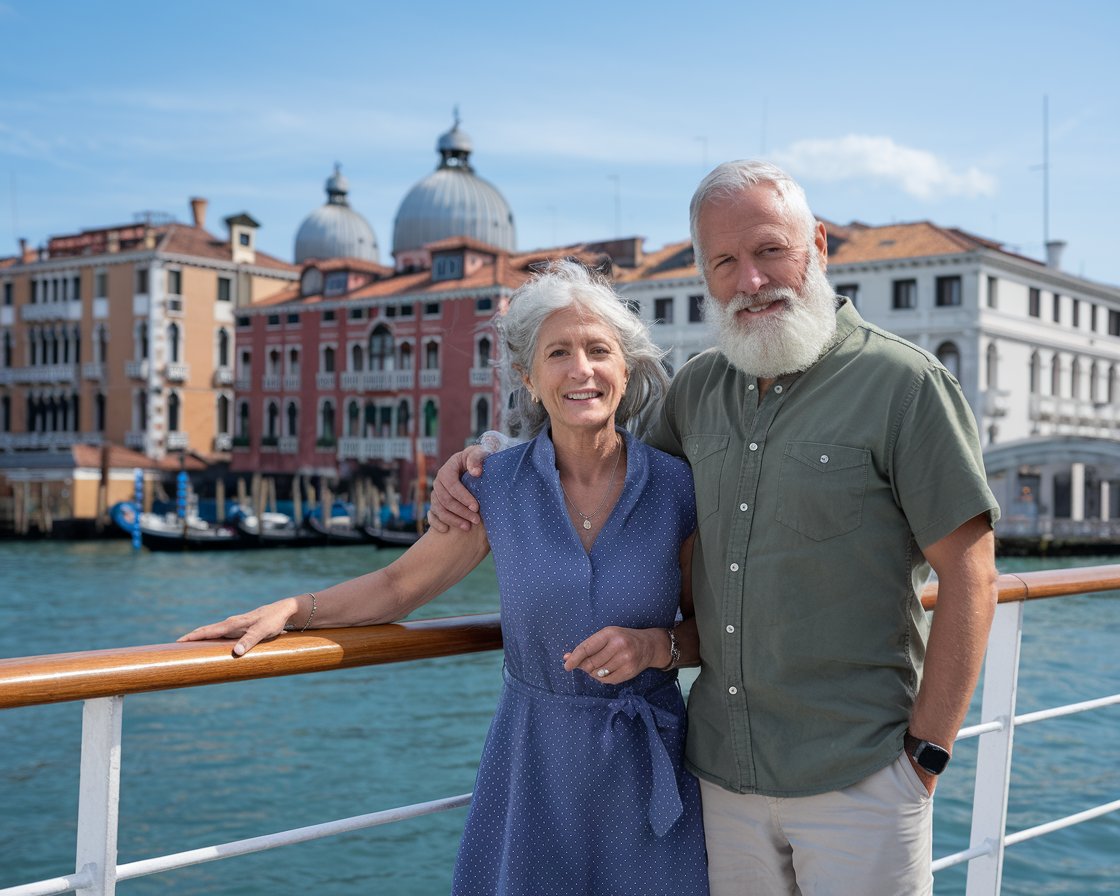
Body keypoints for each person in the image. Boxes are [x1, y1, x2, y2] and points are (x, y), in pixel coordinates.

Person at [427, 161, 1001, 895]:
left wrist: (926, 756)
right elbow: (601, 462)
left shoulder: (906, 384)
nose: (750, 281)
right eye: (724, 262)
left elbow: (972, 577)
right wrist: (487, 460)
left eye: (770, 251)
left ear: (818, 246)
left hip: (859, 775)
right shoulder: (698, 391)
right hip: (721, 780)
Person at [179, 260, 710, 896]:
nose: (581, 370)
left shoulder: (678, 488)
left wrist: (657, 648)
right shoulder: (495, 488)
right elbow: (399, 586)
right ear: (529, 378)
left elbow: (715, 627)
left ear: (626, 367)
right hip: (531, 762)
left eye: (599, 350)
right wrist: (295, 609)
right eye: (558, 353)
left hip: (649, 766)